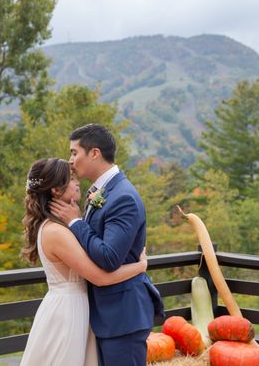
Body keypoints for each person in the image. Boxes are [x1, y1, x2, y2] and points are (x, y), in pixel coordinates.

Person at [50, 124, 164, 366]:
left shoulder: (122, 197)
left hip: (122, 316)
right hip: (105, 315)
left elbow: (109, 258)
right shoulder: (102, 192)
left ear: (94, 153)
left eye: (74, 152)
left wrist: (76, 222)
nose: (71, 160)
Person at [19, 158, 148, 366]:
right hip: (66, 315)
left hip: (77, 308)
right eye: (69, 179)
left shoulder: (60, 226)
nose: (76, 181)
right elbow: (99, 278)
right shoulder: (55, 231)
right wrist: (140, 266)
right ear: (55, 191)